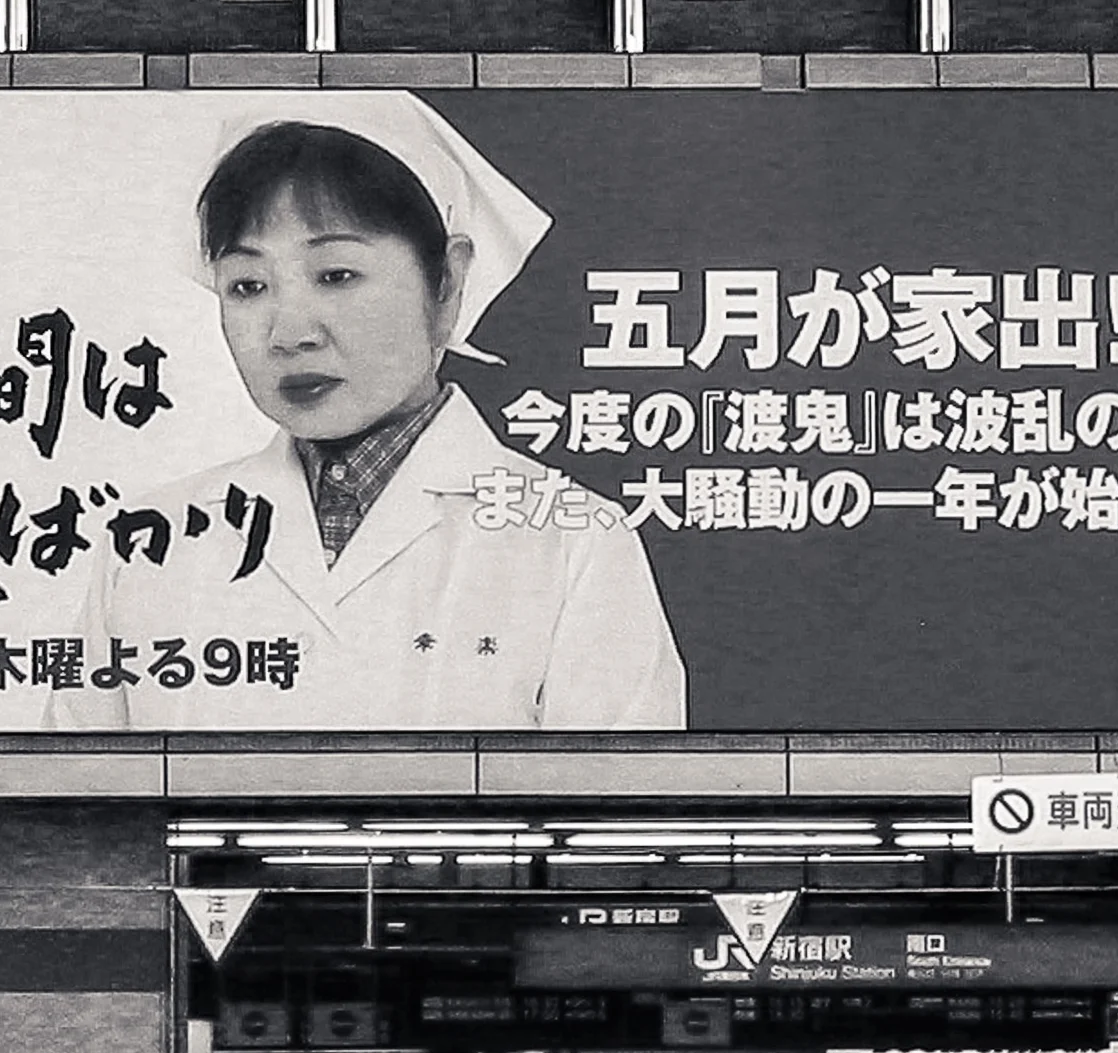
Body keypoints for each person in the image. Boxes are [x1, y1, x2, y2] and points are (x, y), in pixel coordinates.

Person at [52, 96, 687, 732]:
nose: (289, 332)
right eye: (248, 286)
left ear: (447, 284)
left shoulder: (574, 539)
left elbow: (623, 819)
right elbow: (69, 808)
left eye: (335, 274)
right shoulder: (147, 540)